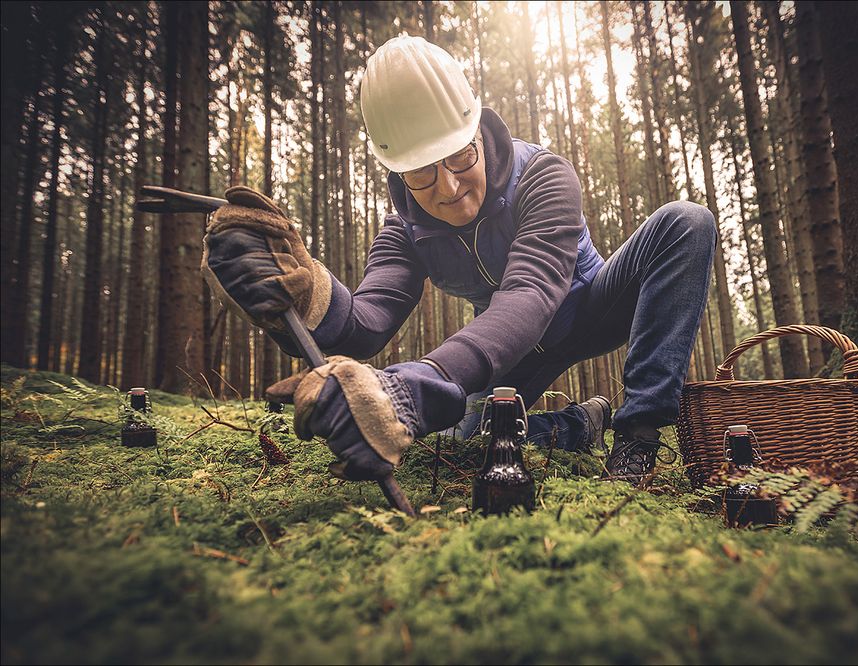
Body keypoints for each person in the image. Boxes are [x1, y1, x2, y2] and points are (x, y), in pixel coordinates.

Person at [203, 36, 716, 486]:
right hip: (511, 353)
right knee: (458, 445)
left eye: (459, 157)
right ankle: (581, 425)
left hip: (593, 307)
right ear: (396, 172)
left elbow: (532, 292)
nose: (448, 187)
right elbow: (365, 323)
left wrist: (423, 380)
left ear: (478, 132)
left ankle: (638, 429)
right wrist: (308, 293)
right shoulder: (404, 229)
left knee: (686, 221)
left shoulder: (543, 176)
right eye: (422, 174)